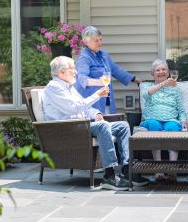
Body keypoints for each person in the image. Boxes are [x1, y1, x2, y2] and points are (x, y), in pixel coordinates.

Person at [43, 56, 149, 191]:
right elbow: (75, 107)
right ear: (62, 72)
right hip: (67, 129)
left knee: (123, 125)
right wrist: (97, 95)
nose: (75, 72)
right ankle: (109, 175)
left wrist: (96, 114)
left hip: (81, 125)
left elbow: (84, 107)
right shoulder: (54, 87)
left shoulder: (69, 87)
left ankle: (127, 171)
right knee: (103, 126)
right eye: (72, 68)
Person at [75, 26, 142, 115]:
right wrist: (98, 82)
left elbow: (116, 70)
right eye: (96, 40)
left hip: (107, 99)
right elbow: (82, 79)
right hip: (93, 102)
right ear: (86, 42)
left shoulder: (104, 55)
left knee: (109, 123)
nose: (100, 43)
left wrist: (134, 79)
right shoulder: (84, 58)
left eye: (100, 39)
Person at [140, 59, 187, 182]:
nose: (161, 72)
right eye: (157, 70)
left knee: (173, 127)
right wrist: (163, 84)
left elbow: (181, 109)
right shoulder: (147, 86)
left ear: (168, 72)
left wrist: (183, 122)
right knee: (154, 125)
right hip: (151, 119)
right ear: (152, 74)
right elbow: (146, 95)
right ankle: (158, 170)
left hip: (171, 119)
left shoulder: (175, 89)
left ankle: (172, 170)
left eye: (163, 69)